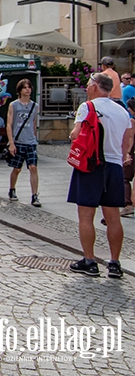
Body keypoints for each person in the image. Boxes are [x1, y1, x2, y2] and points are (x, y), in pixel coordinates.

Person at [67, 72, 134, 278]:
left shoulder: (88, 107)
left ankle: (90, 261)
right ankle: (114, 263)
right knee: (113, 217)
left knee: (86, 215)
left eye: (88, 84)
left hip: (91, 165)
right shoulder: (122, 110)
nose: (87, 88)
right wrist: (122, 157)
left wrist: (72, 135)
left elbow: (76, 134)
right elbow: (126, 139)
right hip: (114, 166)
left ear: (95, 86)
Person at [6, 78, 41, 206]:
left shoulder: (34, 106)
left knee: (33, 167)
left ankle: (34, 195)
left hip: (30, 142)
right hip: (18, 141)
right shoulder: (14, 105)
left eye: (29, 87)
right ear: (20, 90)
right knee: (17, 168)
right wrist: (11, 142)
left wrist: (35, 140)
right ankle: (12, 189)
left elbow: (34, 123)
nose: (28, 89)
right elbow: (9, 124)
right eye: (25, 87)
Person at [122, 98, 135, 217]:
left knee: (125, 178)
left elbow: (130, 139)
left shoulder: (132, 121)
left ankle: (127, 205)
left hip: (133, 153)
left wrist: (127, 154)